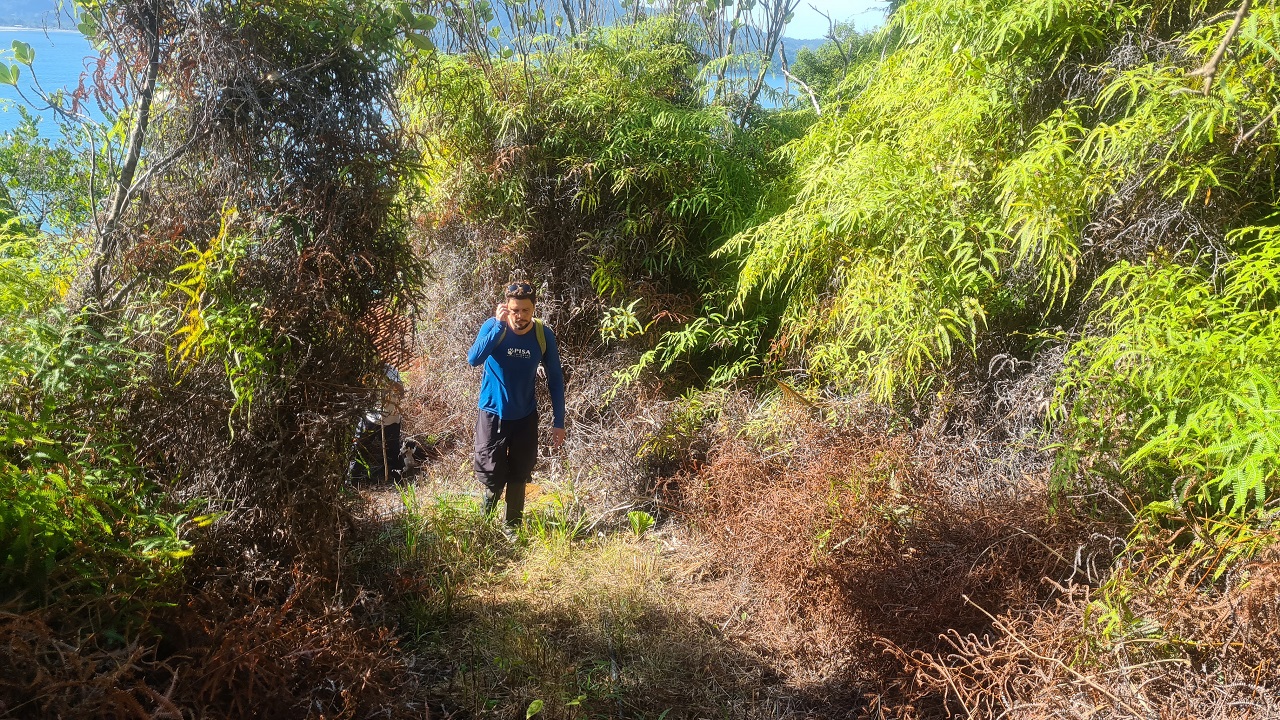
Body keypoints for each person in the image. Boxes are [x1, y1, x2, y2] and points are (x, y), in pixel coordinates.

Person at [467, 281, 566, 528]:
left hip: (524, 416)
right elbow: (473, 359)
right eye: (514, 310)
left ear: (533, 309)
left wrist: (559, 422)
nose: (519, 316)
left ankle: (512, 526)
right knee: (493, 476)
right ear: (506, 307)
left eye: (525, 311)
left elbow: (555, 379)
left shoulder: (543, 334)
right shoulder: (493, 327)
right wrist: (499, 325)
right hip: (492, 414)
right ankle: (484, 524)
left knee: (519, 474)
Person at [348, 364, 405, 484]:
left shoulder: (392, 371)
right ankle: (353, 480)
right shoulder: (368, 369)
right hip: (370, 418)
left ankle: (397, 479)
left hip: (391, 420)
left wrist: (389, 383)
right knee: (360, 448)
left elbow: (401, 393)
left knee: (393, 451)